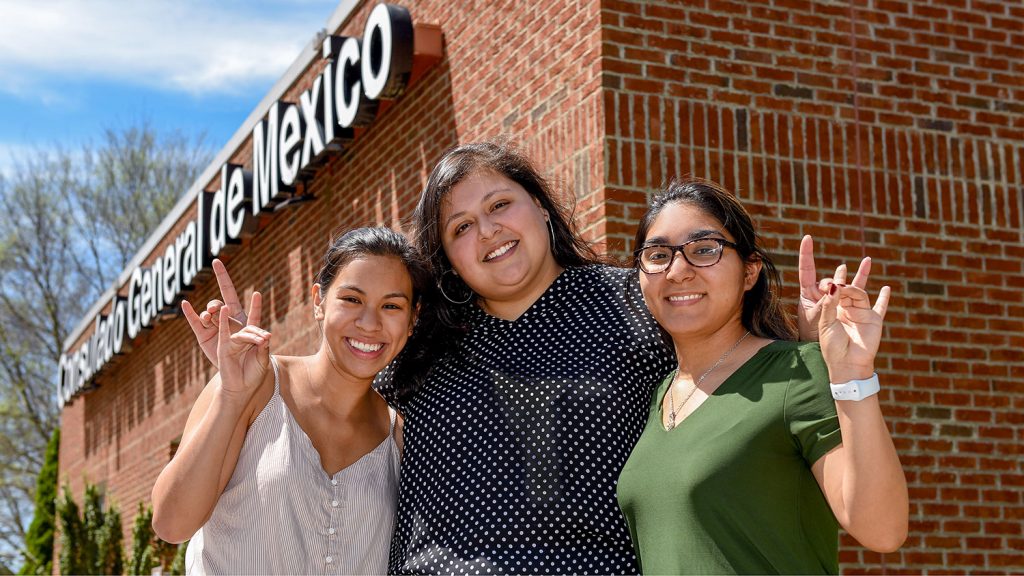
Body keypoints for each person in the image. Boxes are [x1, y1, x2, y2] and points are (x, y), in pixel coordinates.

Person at [616, 179, 908, 574]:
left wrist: (853, 374)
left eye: (704, 250)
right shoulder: (660, 394)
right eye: (657, 255)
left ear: (750, 271)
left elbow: (882, 530)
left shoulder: (795, 372)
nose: (677, 270)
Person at [151, 227, 430, 575]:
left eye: (391, 305)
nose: (369, 323)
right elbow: (171, 525)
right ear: (318, 302)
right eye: (352, 299)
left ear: (412, 320)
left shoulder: (399, 434)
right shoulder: (255, 387)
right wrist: (231, 396)